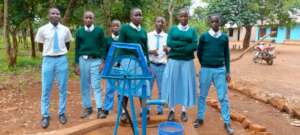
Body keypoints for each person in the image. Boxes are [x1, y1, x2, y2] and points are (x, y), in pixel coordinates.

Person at [194, 14, 234, 135]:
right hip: (206, 69)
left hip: (220, 70)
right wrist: (205, 64)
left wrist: (227, 71)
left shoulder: (224, 37)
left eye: (217, 22)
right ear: (209, 23)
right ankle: (200, 118)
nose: (215, 24)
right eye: (213, 22)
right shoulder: (204, 37)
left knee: (223, 97)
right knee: (202, 95)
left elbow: (227, 55)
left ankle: (227, 122)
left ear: (220, 23)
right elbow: (199, 53)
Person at [35, 7, 72, 128]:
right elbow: (40, 46)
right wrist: (49, 53)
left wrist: (59, 53)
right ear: (49, 15)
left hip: (62, 60)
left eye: (58, 13)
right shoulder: (42, 30)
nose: (56, 15)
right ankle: (45, 115)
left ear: (60, 16)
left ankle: (61, 113)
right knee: (46, 89)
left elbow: (67, 45)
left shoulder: (65, 30)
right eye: (53, 13)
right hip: (48, 60)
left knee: (62, 88)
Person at [162, 8, 198, 122]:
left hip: (187, 62)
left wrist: (178, 48)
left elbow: (194, 45)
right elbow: (169, 43)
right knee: (173, 84)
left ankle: (184, 111)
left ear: (188, 17)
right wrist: (184, 46)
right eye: (181, 16)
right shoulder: (173, 30)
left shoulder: (192, 31)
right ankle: (172, 111)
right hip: (174, 61)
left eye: (186, 16)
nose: (184, 18)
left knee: (185, 84)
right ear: (178, 17)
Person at [118, 7, 150, 122]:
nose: (138, 17)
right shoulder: (125, 29)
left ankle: (144, 111)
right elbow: (120, 46)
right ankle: (123, 112)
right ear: (131, 17)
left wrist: (148, 65)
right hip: (128, 62)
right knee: (125, 86)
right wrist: (118, 64)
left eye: (140, 15)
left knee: (143, 86)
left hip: (141, 62)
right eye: (136, 15)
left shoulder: (143, 31)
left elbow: (145, 49)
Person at [75, 11, 106, 119]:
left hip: (96, 61)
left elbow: (103, 46)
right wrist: (77, 64)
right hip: (83, 61)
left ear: (93, 19)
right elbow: (77, 48)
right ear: (83, 19)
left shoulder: (99, 31)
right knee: (84, 85)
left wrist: (103, 61)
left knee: (96, 85)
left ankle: (99, 109)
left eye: (90, 17)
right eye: (86, 17)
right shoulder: (79, 31)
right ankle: (87, 108)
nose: (88, 19)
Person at [147, 16, 168, 115]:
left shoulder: (167, 37)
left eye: (162, 22)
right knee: (147, 88)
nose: (160, 23)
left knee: (162, 88)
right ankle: (146, 108)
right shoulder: (149, 35)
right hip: (151, 65)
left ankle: (160, 109)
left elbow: (170, 52)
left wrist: (167, 50)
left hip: (162, 65)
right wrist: (151, 51)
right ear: (155, 23)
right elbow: (144, 50)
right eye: (158, 21)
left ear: (164, 24)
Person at [101, 19, 121, 118]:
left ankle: (122, 110)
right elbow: (104, 53)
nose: (116, 27)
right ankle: (107, 108)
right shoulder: (107, 40)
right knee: (110, 88)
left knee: (122, 89)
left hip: (122, 68)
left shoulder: (123, 39)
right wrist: (104, 63)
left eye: (117, 26)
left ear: (120, 27)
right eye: (114, 26)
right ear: (111, 28)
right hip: (111, 68)